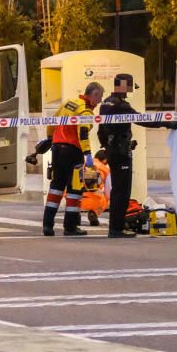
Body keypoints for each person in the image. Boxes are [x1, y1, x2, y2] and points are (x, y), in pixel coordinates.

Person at [98, 74, 177, 238]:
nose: (129, 91)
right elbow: (140, 119)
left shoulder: (106, 103)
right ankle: (116, 229)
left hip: (113, 149)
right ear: (123, 85)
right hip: (121, 152)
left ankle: (116, 227)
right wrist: (166, 123)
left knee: (118, 190)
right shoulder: (120, 105)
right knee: (122, 191)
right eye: (128, 87)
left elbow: (105, 129)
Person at [42, 82, 104, 237]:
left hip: (57, 149)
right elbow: (83, 134)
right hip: (73, 151)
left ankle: (47, 225)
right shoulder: (86, 111)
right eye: (100, 97)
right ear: (94, 95)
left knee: (56, 186)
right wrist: (88, 154)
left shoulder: (69, 103)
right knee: (74, 190)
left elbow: (53, 122)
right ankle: (70, 227)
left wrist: (50, 138)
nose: (100, 101)